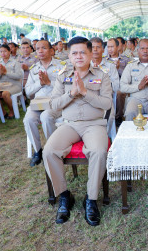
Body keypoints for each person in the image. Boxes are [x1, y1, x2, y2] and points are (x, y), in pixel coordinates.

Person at [43, 37, 112, 226]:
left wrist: (85, 92)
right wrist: (72, 93)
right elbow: (53, 106)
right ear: (69, 56)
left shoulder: (102, 75)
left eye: (83, 52)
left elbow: (107, 104)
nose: (79, 56)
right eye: (75, 53)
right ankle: (65, 196)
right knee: (49, 151)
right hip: (69, 124)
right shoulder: (62, 75)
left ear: (91, 54)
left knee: (98, 151)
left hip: (94, 124)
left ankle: (91, 200)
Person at [23, 40, 63, 166]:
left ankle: (53, 150)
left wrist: (49, 82)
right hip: (39, 102)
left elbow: (67, 87)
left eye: (44, 48)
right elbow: (28, 91)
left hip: (56, 101)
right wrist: (40, 83)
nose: (40, 51)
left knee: (46, 116)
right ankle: (38, 151)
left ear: (52, 50)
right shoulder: (34, 69)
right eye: (37, 48)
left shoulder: (62, 66)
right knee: (28, 119)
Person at [0, 44, 24, 119]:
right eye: (1, 51)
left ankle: (12, 111)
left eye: (5, 51)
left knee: (5, 94)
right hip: (1, 84)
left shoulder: (15, 62)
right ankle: (3, 113)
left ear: (9, 51)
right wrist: (0, 74)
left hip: (14, 84)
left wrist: (6, 73)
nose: (3, 53)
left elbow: (18, 76)